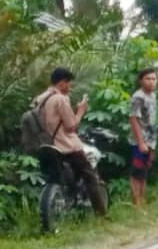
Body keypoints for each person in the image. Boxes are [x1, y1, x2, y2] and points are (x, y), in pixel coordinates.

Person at [36, 67, 108, 216]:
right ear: (62, 83)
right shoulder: (60, 99)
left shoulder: (40, 98)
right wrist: (81, 111)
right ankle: (102, 215)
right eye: (69, 84)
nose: (70, 87)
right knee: (90, 176)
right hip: (65, 146)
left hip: (46, 145)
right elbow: (71, 126)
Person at [128, 68, 158, 208]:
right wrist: (141, 142)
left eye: (154, 79)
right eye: (148, 78)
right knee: (137, 171)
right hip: (139, 140)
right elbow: (133, 119)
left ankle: (142, 200)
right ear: (141, 80)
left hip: (151, 139)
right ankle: (136, 204)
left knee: (145, 171)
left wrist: (152, 143)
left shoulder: (153, 96)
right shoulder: (138, 97)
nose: (151, 81)